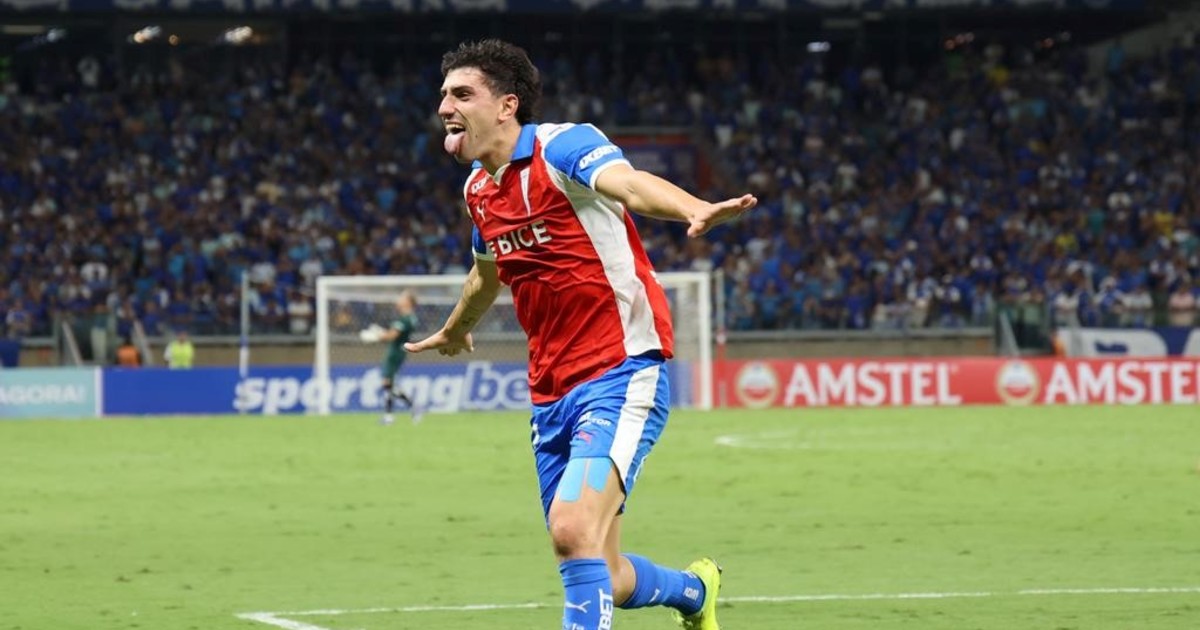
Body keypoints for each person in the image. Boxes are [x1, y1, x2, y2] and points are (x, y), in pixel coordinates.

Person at [406, 40, 756, 630]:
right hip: (551, 393)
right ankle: (696, 592)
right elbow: (487, 273)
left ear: (506, 105)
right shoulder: (478, 190)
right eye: (443, 94)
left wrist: (692, 206)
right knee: (604, 571)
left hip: (620, 369)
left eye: (462, 94)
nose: (445, 106)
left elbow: (630, 185)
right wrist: (454, 328)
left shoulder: (563, 147)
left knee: (571, 529)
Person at [359, 290, 423, 425]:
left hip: (395, 353)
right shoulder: (409, 318)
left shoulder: (405, 319)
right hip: (398, 351)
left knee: (388, 384)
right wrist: (381, 332)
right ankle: (391, 415)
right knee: (389, 384)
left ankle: (410, 406)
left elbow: (392, 336)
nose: (399, 300)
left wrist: (375, 336)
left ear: (408, 302)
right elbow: (393, 333)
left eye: (402, 298)